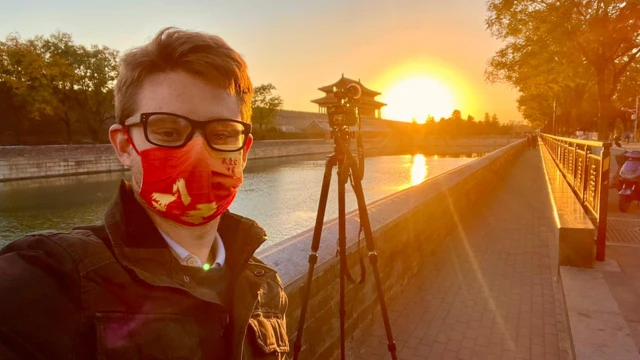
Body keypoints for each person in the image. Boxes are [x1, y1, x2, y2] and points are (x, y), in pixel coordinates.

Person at [0, 28, 289, 360]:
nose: (197, 152)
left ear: (244, 151)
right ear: (124, 145)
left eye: (222, 133)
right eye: (167, 130)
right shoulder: (53, 279)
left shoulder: (265, 287)